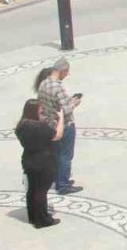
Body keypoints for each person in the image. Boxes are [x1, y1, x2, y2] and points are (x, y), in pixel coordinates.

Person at [35, 60, 82, 195]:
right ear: (61, 71)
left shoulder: (43, 83)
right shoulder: (58, 87)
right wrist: (74, 103)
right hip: (64, 124)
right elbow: (65, 110)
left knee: (56, 153)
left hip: (50, 124)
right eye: (66, 72)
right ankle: (63, 184)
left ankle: (58, 178)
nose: (67, 74)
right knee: (66, 155)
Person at [17, 97, 63, 228]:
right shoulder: (39, 127)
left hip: (29, 160)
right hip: (44, 162)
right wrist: (61, 119)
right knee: (41, 191)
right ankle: (42, 220)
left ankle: (33, 216)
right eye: (41, 111)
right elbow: (57, 135)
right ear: (34, 112)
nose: (42, 112)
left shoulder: (21, 125)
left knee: (32, 189)